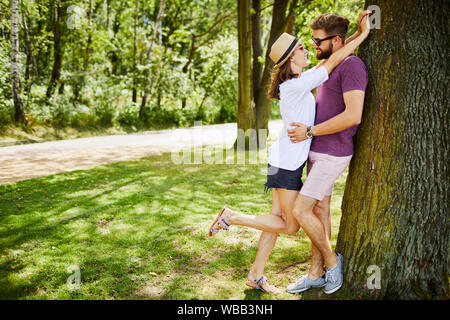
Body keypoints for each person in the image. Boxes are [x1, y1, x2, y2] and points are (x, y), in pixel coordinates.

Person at [208, 13, 370, 294]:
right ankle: (231, 217)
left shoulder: (299, 81)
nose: (308, 49)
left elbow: (335, 52)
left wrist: (355, 35)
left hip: (281, 160)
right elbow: (332, 60)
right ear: (291, 58)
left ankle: (256, 275)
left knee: (275, 221)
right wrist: (365, 35)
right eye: (302, 48)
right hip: (287, 164)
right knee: (290, 225)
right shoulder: (296, 85)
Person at [285, 12, 371, 295]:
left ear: (336, 40)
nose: (313, 46)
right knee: (319, 211)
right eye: (312, 40)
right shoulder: (327, 65)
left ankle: (333, 263)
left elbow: (353, 116)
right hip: (316, 152)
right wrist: (361, 34)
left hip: (333, 153)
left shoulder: (352, 66)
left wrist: (309, 131)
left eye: (318, 40)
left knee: (301, 209)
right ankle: (314, 273)